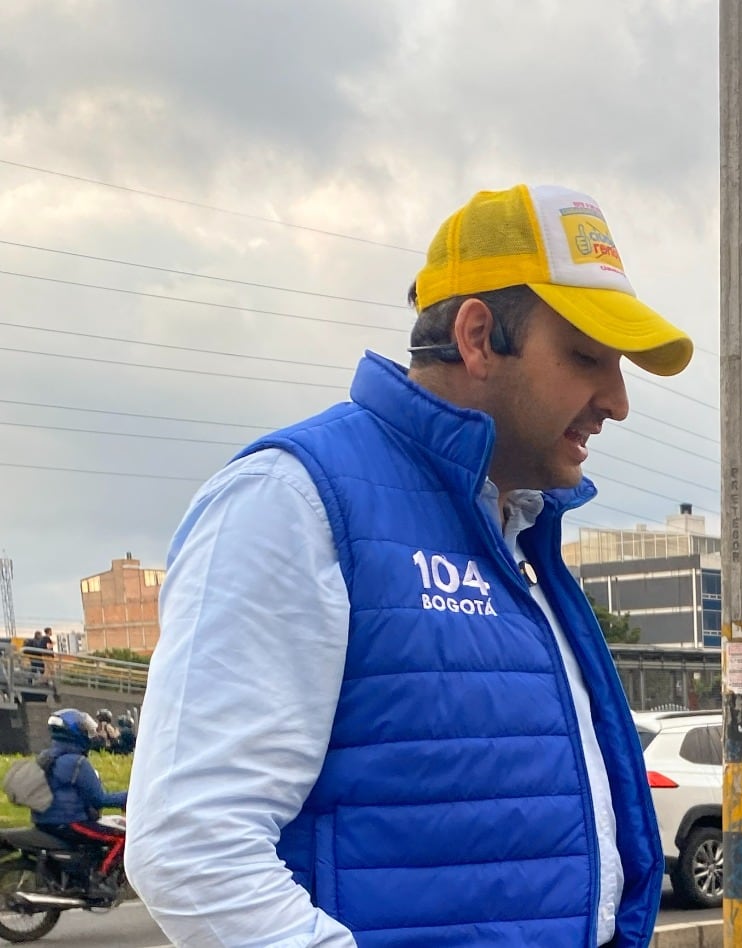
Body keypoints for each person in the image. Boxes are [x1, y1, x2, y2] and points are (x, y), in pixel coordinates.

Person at [126, 184, 693, 947]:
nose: (617, 400)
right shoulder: (293, 500)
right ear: (476, 336)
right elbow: (192, 845)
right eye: (587, 356)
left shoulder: (517, 535)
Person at [33, 708, 128, 903]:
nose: (89, 733)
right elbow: (100, 799)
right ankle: (99, 880)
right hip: (70, 821)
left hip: (45, 820)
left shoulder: (47, 756)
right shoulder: (77, 762)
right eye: (84, 728)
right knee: (123, 836)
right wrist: (130, 796)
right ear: (73, 732)